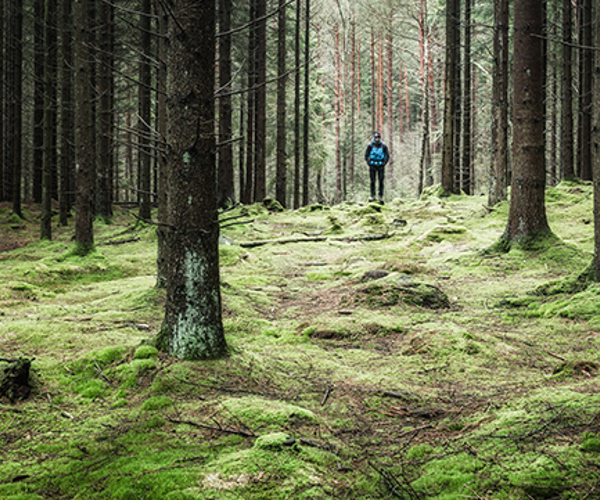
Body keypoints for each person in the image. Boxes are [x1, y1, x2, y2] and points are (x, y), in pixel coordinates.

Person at [364, 132, 390, 203]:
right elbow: (366, 155)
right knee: (372, 181)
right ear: (374, 138)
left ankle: (380, 197)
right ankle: (373, 196)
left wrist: (384, 163)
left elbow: (387, 156)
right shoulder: (370, 146)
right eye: (376, 138)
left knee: (381, 181)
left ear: (380, 138)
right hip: (372, 166)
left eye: (378, 138)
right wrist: (369, 163)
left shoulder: (384, 146)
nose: (377, 139)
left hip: (381, 166)